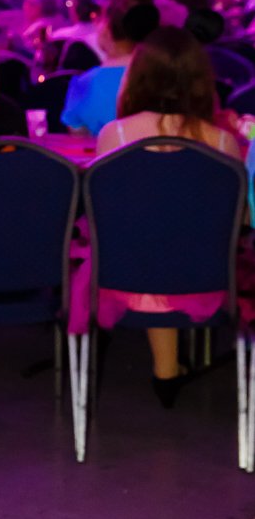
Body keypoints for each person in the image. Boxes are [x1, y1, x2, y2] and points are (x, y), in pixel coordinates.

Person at [78, 27, 243, 405]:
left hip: (126, 277)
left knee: (147, 238)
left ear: (138, 76)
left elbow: (111, 217)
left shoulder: (115, 135)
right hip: (207, 280)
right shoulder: (222, 141)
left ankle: (166, 370)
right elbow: (237, 220)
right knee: (180, 239)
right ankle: (168, 371)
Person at [61, 0, 159, 136]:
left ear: (106, 29)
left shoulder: (85, 84)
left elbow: (77, 136)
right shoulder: (163, 75)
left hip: (104, 150)